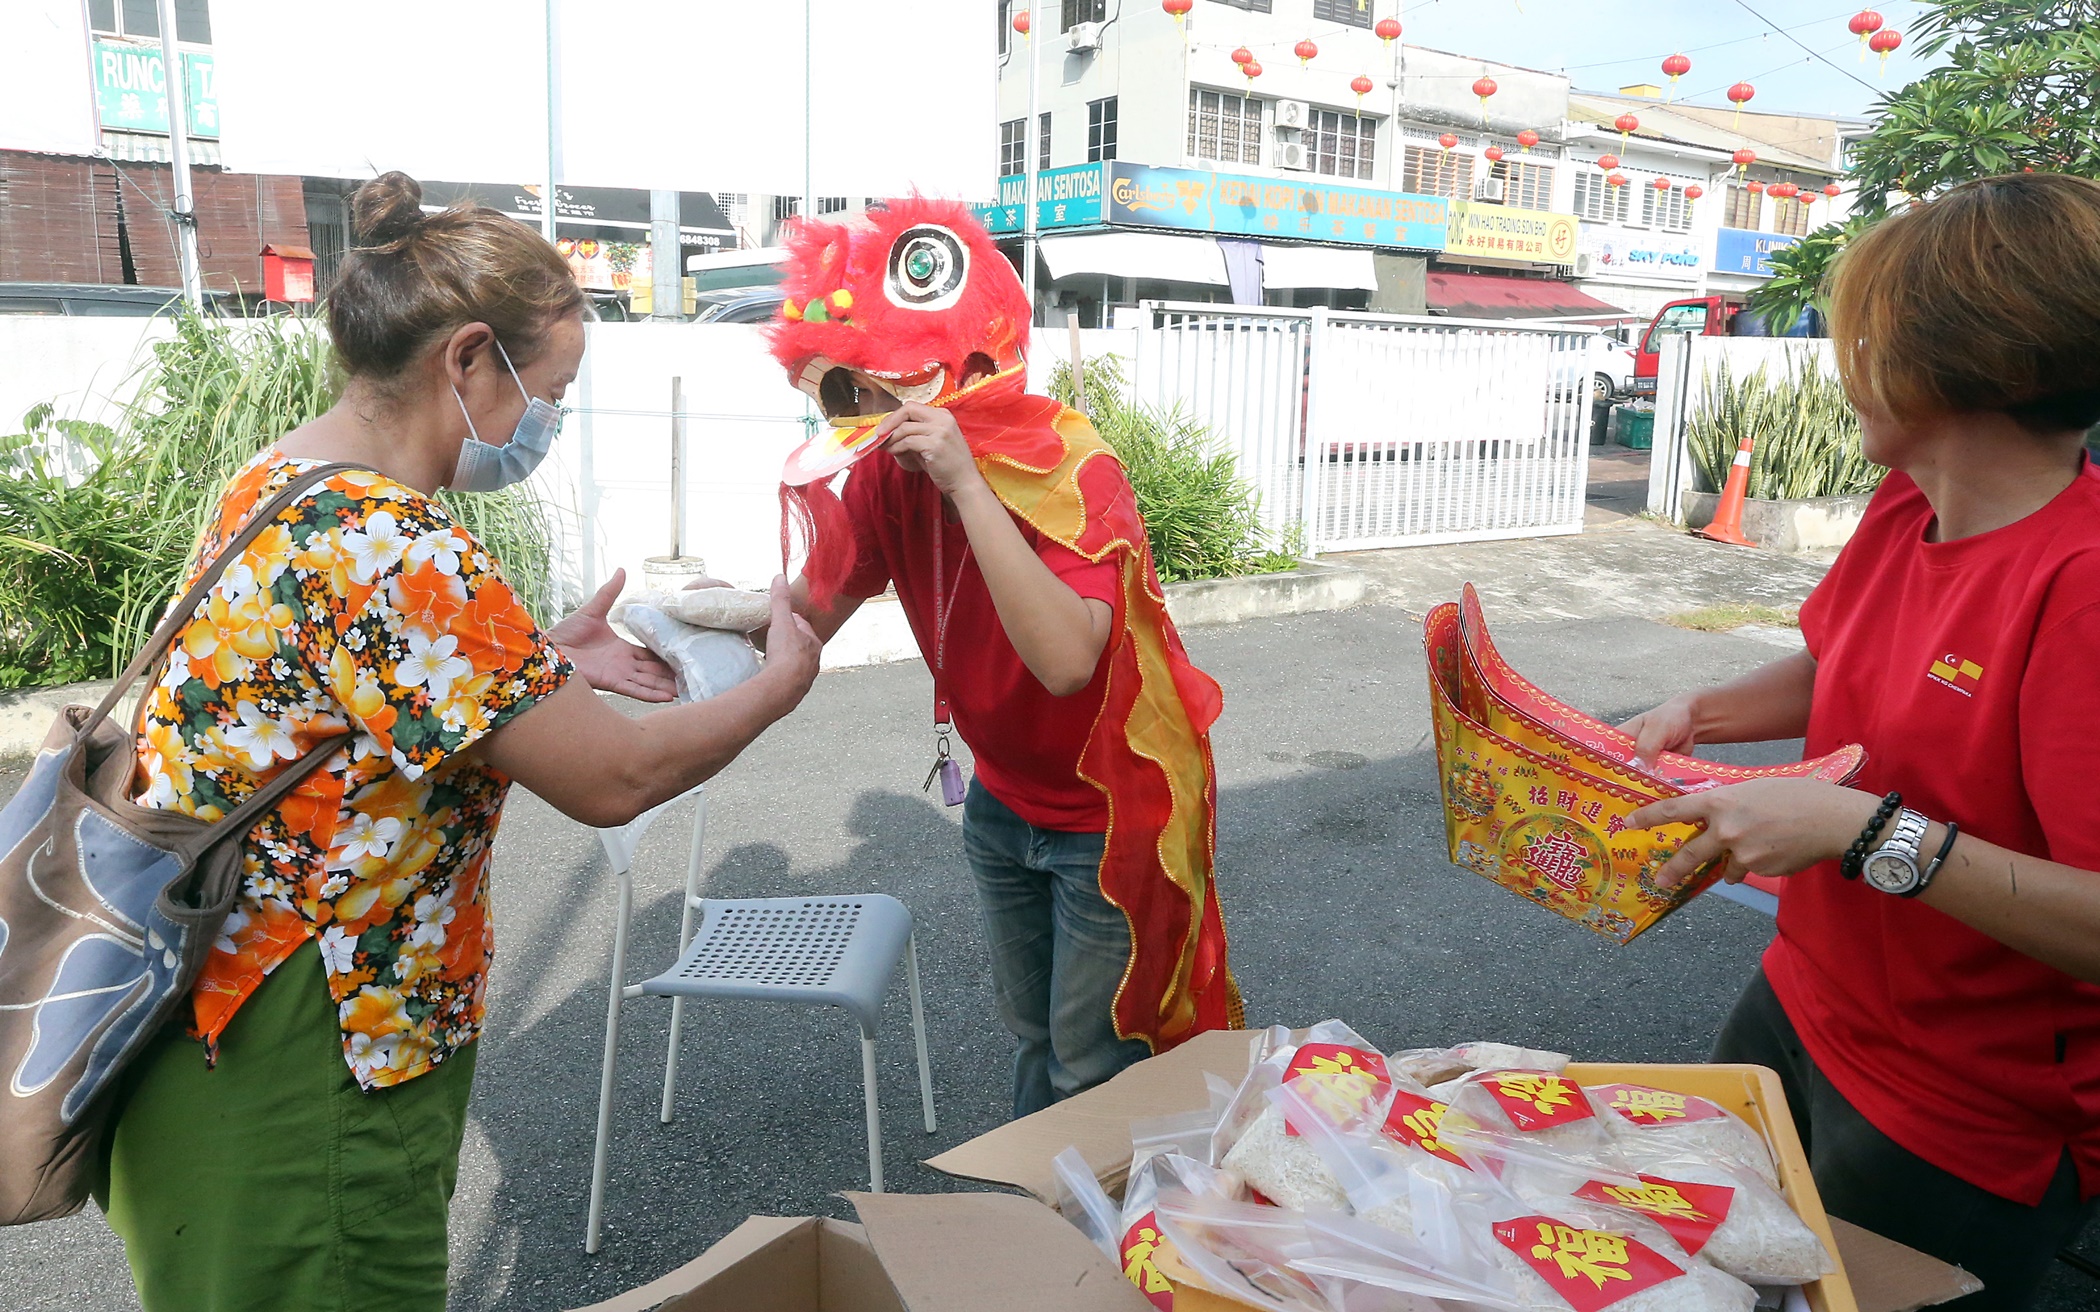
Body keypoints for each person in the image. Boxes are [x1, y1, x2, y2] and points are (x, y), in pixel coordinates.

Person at [95, 171, 821, 1310]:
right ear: (469, 358)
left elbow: (336, 687)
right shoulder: (398, 546)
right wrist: (779, 681)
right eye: (553, 388)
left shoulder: (285, 483)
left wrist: (536, 659)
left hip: (213, 1020)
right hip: (317, 1050)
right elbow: (617, 777)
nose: (551, 420)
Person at [1620, 173, 2100, 1308]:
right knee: (1693, 1263)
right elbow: (1845, 661)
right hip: (1801, 998)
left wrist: (1861, 830)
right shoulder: (1904, 502)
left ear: (1992, 359)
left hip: (1965, 1106)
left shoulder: (2080, 587)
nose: (1845, 365)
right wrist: (1702, 713)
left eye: (1871, 335)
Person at [757, 197, 1242, 1117]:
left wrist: (965, 484)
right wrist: (689, 634)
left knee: (1091, 1063)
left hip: (1108, 814)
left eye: (875, 388)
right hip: (1000, 803)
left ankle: (1093, 1242)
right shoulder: (879, 478)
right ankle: (1030, 1229)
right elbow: (813, 611)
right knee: (1034, 1038)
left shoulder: (1069, 464)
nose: (862, 414)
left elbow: (1067, 662)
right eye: (842, 392)